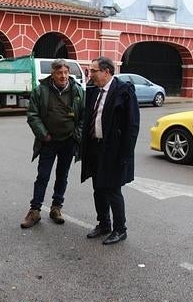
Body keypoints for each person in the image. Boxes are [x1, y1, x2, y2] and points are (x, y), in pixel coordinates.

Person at [81, 56, 139, 245]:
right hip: (95, 147)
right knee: (98, 188)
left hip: (114, 150)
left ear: (106, 72)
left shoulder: (124, 91)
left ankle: (120, 229)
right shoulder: (93, 91)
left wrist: (125, 155)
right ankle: (103, 224)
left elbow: (132, 126)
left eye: (93, 71)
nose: (90, 74)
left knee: (113, 190)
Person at [21, 59, 85, 229]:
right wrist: (44, 135)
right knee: (43, 176)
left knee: (62, 176)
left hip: (68, 142)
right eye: (59, 73)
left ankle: (56, 208)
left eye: (65, 72)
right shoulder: (41, 90)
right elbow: (33, 115)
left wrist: (75, 136)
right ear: (53, 74)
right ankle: (35, 211)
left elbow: (84, 117)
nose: (63, 76)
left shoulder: (78, 91)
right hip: (48, 141)